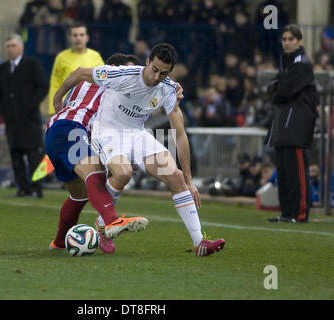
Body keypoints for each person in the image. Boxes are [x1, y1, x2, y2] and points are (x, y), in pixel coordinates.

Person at [53, 43, 226, 257]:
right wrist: (58, 97)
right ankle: (107, 225)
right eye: (154, 69)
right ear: (147, 62)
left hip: (137, 134)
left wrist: (190, 182)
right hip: (107, 131)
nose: (156, 76)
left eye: (163, 73)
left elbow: (180, 135)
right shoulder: (122, 74)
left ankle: (199, 241)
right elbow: (80, 72)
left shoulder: (169, 90)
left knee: (175, 176)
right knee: (123, 173)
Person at [46, 53, 148, 253]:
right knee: (96, 175)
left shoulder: (89, 84)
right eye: (125, 71)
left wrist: (58, 97)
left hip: (54, 133)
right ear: (111, 68)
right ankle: (111, 221)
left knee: (80, 195)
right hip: (71, 128)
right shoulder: (109, 87)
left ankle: (58, 243)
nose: (129, 78)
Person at [265, 25, 318, 223]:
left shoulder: (301, 63)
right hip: (284, 124)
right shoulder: (287, 63)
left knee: (297, 172)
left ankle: (300, 213)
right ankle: (287, 212)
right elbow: (274, 87)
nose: (286, 42)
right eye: (284, 38)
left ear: (299, 41)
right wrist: (278, 88)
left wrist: (278, 88)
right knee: (285, 172)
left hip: (296, 125)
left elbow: (283, 91)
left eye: (291, 39)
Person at [0, 34, 48, 198]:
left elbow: (43, 86)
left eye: (13, 46)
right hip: (12, 119)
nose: (10, 49)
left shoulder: (32, 64)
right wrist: (2, 109)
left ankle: (37, 188)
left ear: (21, 47)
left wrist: (32, 104)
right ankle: (23, 187)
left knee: (34, 155)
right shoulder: (3, 68)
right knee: (15, 155)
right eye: (8, 46)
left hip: (29, 118)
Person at [47, 22, 104, 115]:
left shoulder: (95, 56)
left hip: (89, 107)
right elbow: (55, 83)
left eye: (81, 35)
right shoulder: (61, 57)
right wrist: (52, 108)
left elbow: (102, 82)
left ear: (87, 38)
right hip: (66, 106)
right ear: (69, 38)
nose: (78, 38)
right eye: (75, 35)